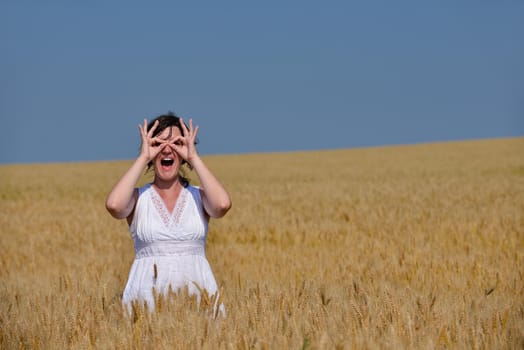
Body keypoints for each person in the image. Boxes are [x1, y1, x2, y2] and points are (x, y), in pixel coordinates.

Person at [105, 112, 231, 314]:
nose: (167, 149)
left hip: (198, 303)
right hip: (146, 305)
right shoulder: (138, 198)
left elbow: (222, 205)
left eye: (176, 143)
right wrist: (144, 156)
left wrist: (193, 157)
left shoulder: (199, 197)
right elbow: (114, 205)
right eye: (159, 143)